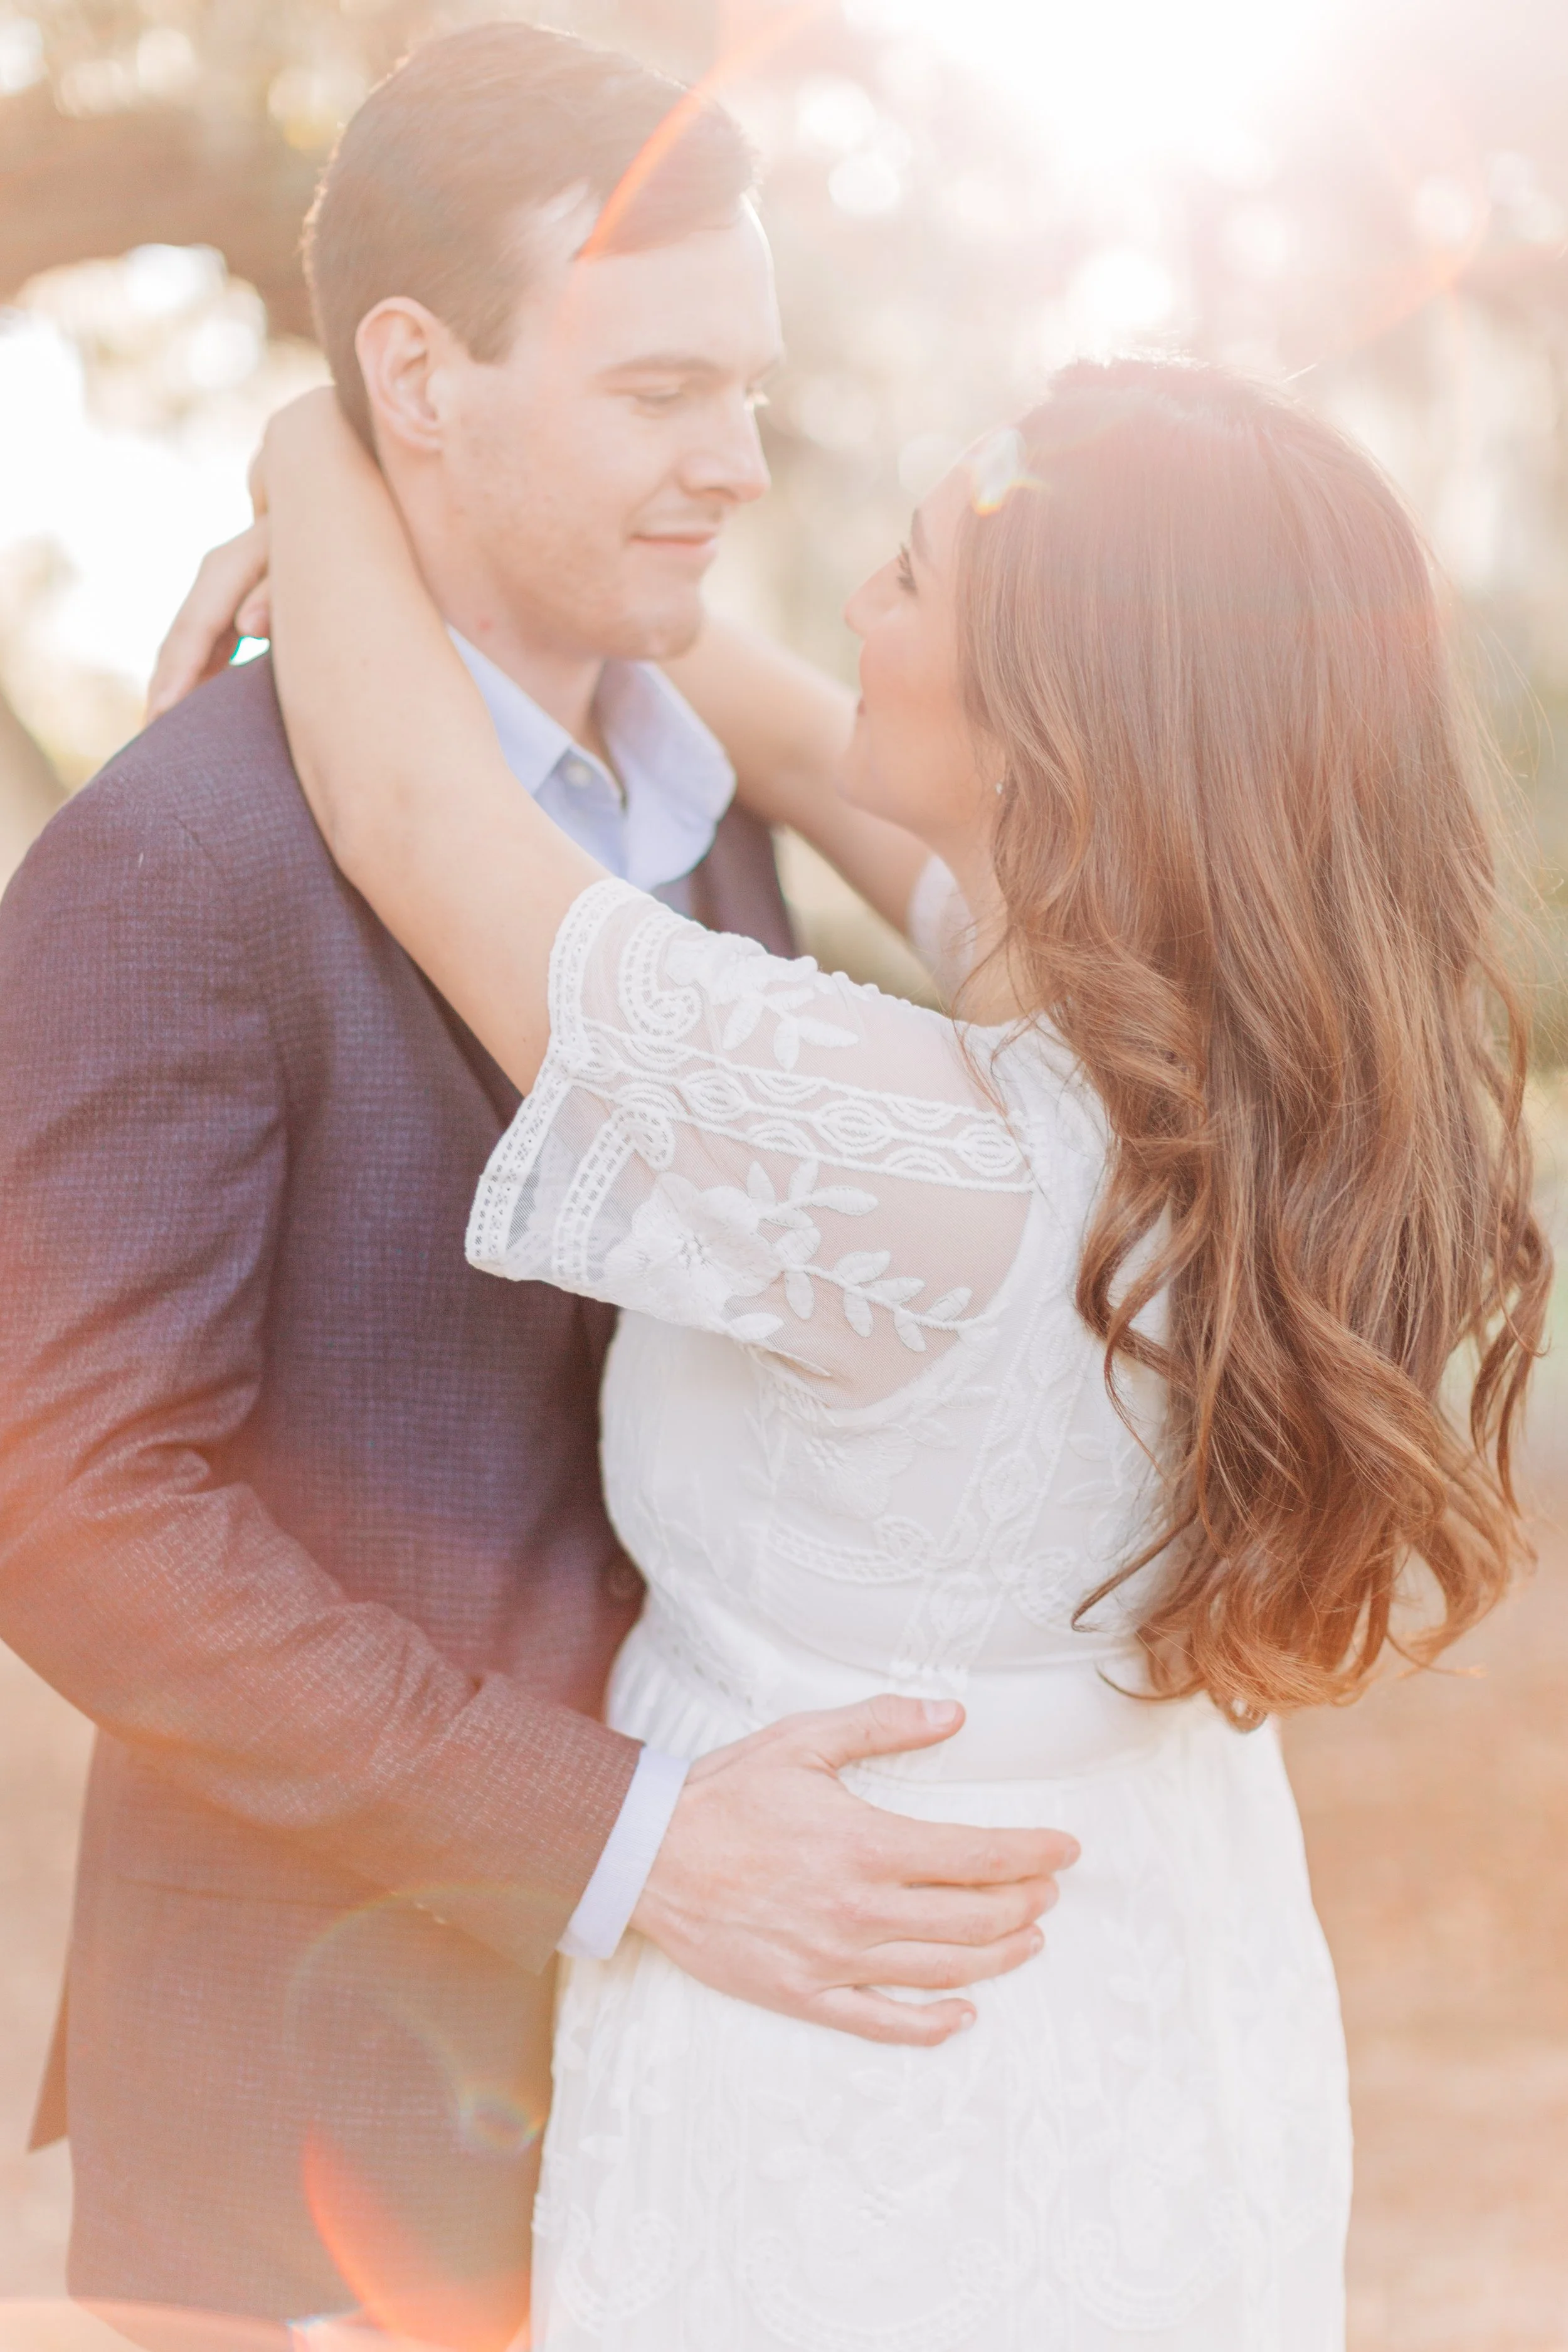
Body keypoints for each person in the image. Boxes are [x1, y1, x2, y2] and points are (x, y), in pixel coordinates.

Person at [169, 351, 1546, 2349]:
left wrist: (334, 432)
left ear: (1048, 728)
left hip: (862, 2067)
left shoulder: (916, 1159)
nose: (849, 619)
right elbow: (812, 744)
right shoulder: (1238, 1067)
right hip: (1155, 1999)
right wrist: (548, 554)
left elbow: (409, 812)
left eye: (903, 581)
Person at [0, 26, 1073, 2338]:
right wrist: (626, 1836)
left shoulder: (745, 823)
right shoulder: (172, 858)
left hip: (723, 2092)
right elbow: (65, 1501)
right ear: (420, 370)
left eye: (749, 389)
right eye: (660, 388)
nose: (736, 465)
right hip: (314, 2119)